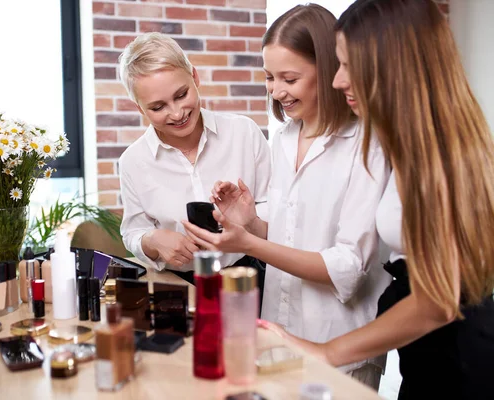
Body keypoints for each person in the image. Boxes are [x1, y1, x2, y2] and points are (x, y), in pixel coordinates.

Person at [257, 0, 494, 398]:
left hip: (456, 358)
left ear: (390, 64)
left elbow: (436, 300)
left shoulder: (438, 154)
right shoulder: (412, 143)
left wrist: (326, 351)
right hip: (426, 352)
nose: (338, 80)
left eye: (348, 65)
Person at [182, 4, 390, 389]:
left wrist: (250, 245)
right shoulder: (283, 138)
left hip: (339, 346)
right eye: (269, 77)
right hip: (277, 335)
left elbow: (347, 267)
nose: (276, 90)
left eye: (289, 78)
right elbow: (290, 238)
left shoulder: (369, 144)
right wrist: (253, 222)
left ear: (329, 69)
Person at [117, 32, 272, 285]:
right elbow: (133, 232)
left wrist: (249, 221)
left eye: (181, 95)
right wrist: (152, 240)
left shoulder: (244, 133)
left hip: (249, 277)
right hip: (178, 286)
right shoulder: (133, 161)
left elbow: (275, 206)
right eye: (158, 107)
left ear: (194, 76)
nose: (177, 113)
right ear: (139, 108)